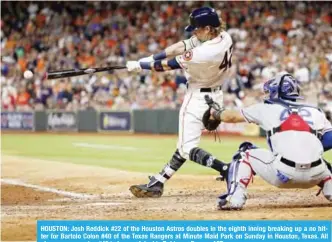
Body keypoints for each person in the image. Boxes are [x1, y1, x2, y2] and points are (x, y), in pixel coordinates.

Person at [126, 7, 233, 198]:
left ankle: (226, 169)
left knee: (187, 148)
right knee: (186, 143)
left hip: (198, 97)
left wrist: (141, 66)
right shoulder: (224, 37)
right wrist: (151, 57)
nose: (194, 32)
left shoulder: (205, 52)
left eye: (197, 28)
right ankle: (158, 182)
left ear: (208, 28)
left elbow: (168, 65)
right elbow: (183, 45)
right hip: (215, 96)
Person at [207, 72, 332, 210]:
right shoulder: (316, 111)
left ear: (275, 92)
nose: (267, 94)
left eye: (269, 91)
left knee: (245, 153)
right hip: (316, 174)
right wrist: (307, 151)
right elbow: (329, 140)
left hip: (283, 174)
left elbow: (231, 117)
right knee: (323, 164)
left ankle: (235, 198)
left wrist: (215, 112)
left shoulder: (266, 108)